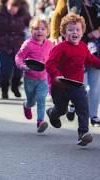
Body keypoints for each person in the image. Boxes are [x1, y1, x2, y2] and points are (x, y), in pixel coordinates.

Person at [46, 13, 100, 146]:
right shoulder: (60, 48)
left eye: (77, 29)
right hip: (60, 85)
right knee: (61, 110)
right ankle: (53, 113)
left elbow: (91, 60)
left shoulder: (83, 47)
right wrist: (57, 75)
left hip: (77, 85)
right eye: (70, 30)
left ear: (82, 32)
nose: (74, 32)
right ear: (64, 33)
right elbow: (49, 63)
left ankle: (83, 133)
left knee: (83, 108)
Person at [15, 17, 54, 133]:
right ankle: (27, 105)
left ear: (47, 31)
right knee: (31, 101)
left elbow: (54, 58)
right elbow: (19, 56)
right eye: (36, 29)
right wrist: (22, 66)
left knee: (41, 98)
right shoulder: (28, 44)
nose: (39, 31)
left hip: (43, 78)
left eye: (43, 29)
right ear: (31, 31)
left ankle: (40, 121)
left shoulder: (49, 44)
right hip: (30, 78)